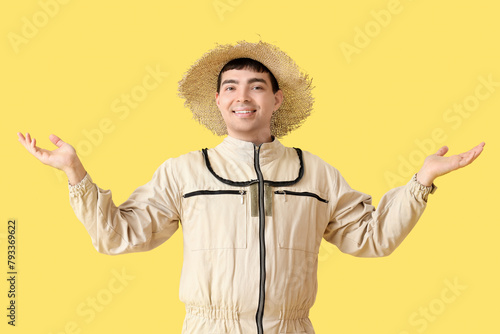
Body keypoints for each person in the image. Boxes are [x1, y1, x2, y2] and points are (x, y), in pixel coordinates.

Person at [17, 40, 485, 334]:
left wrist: (421, 181)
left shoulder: (316, 173)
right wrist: (75, 172)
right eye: (231, 87)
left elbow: (372, 239)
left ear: (276, 99)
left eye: (257, 86)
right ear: (218, 100)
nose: (243, 97)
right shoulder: (184, 172)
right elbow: (118, 236)